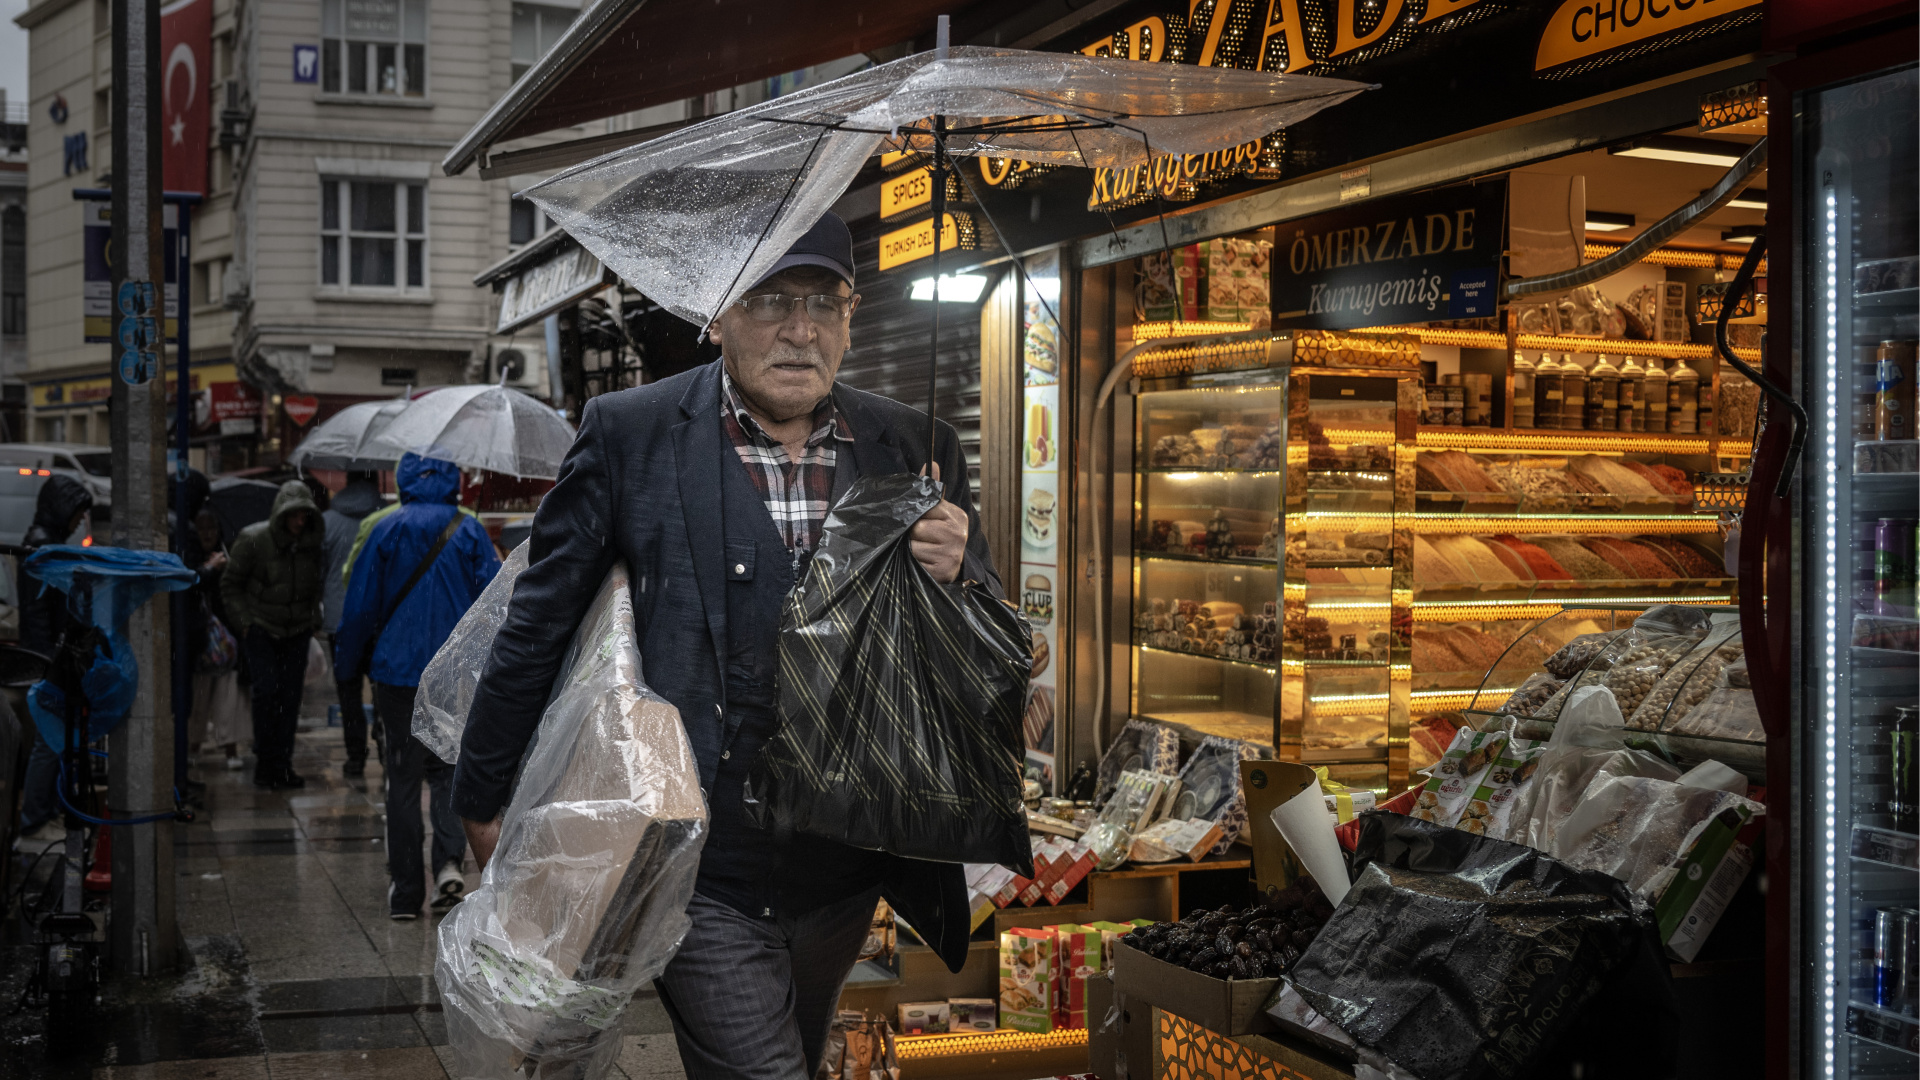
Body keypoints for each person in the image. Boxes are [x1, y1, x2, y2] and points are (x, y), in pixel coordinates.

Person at [452, 213, 996, 1079]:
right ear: (718, 316)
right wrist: (482, 800)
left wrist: (963, 573)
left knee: (793, 1055)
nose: (800, 329)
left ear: (852, 317)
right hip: (699, 866)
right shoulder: (631, 431)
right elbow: (537, 625)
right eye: (771, 300)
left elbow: (982, 647)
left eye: (823, 302)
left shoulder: (916, 444)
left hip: (847, 866)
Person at [335, 452, 499, 921]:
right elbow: (493, 606)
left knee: (402, 778)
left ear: (403, 479)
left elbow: (359, 606)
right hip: (452, 675)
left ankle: (406, 892)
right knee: (449, 771)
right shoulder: (469, 530)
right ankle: (448, 865)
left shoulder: (385, 529)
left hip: (397, 673)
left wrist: (347, 666)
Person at [221, 480, 324, 791]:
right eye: (294, 515)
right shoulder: (254, 540)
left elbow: (313, 586)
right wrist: (246, 624)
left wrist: (312, 619)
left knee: (289, 699)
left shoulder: (310, 545)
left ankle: (282, 764)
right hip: (262, 629)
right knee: (266, 695)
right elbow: (231, 585)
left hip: (296, 630)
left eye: (304, 515)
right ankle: (267, 763)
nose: (300, 521)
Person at [14, 476, 93, 843]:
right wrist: (49, 660)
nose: (79, 522)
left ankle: (43, 813)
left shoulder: (46, 541)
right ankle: (34, 819)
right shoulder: (43, 545)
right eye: (77, 513)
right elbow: (38, 613)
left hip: (48, 656)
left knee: (52, 741)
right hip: (47, 659)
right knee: (48, 742)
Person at [321, 471, 384, 778]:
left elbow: (320, 571)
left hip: (340, 619)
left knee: (348, 691)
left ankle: (355, 756)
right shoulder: (386, 519)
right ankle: (386, 748)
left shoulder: (327, 522)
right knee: (382, 689)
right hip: (377, 619)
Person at [188, 509, 249, 770]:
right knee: (198, 699)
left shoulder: (229, 557)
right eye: (202, 529)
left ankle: (230, 748)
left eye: (211, 528)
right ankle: (193, 746)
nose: (207, 534)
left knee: (228, 699)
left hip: (227, 642)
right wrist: (210, 570)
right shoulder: (193, 559)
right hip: (200, 641)